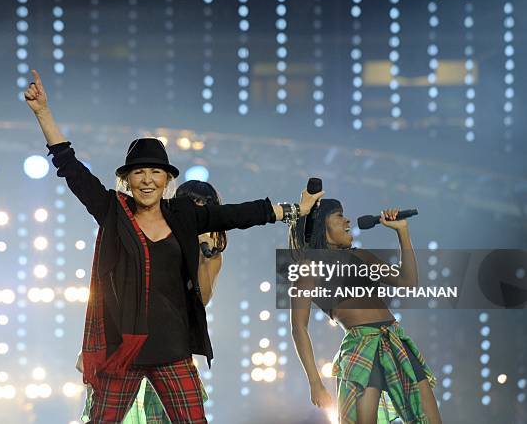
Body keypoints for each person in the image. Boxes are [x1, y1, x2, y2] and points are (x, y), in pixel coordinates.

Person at [24, 70, 322, 423]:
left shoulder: (183, 215)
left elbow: (237, 214)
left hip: (172, 349)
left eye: (155, 172)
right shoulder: (112, 211)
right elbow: (71, 168)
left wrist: (294, 210)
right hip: (124, 350)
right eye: (138, 173)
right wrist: (43, 113)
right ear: (126, 179)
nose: (147, 180)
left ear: (167, 179)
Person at [76, 181, 227, 423]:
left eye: (203, 209)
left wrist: (203, 257)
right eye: (191, 207)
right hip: (129, 343)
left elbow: (202, 299)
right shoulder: (152, 234)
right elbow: (113, 291)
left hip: (169, 348)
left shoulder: (211, 254)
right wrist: (90, 346)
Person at [289, 199, 441, 424]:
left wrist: (403, 232)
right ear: (321, 225)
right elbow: (298, 327)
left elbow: (408, 281)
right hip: (361, 346)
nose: (347, 220)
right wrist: (315, 383)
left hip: (394, 340)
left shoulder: (361, 256)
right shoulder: (309, 267)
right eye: (339, 215)